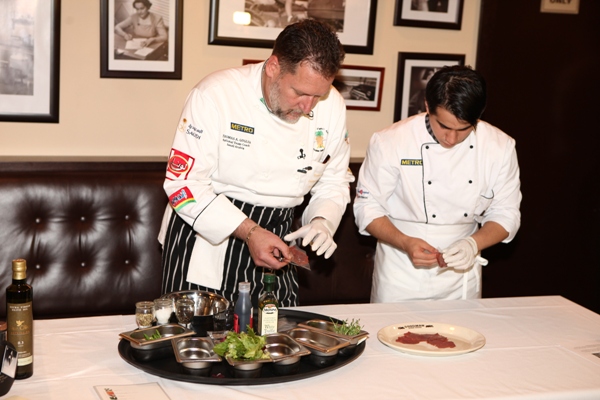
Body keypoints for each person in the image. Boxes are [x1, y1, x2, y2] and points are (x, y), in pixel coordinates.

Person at [159, 19, 351, 307]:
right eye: (299, 93)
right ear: (273, 67)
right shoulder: (215, 95)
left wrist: (323, 220)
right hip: (207, 235)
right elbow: (183, 184)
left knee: (276, 330)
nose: (308, 106)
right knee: (197, 333)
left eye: (318, 96)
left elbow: (334, 180)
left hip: (279, 235)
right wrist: (250, 231)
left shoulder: (332, 105)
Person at [354, 65, 521, 302]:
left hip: (462, 275)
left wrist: (472, 244)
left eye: (464, 129)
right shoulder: (391, 141)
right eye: (443, 126)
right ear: (427, 106)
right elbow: (367, 207)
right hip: (400, 270)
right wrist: (405, 242)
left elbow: (507, 214)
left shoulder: (500, 147)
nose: (451, 139)